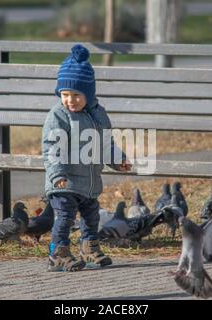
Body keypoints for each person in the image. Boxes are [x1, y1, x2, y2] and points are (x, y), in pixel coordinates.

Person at [42, 44, 132, 272]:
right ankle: (57, 253)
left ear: (88, 94)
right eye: (64, 95)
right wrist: (57, 173)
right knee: (64, 218)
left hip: (89, 183)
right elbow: (52, 147)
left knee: (91, 218)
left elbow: (105, 144)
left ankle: (89, 248)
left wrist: (118, 159)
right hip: (65, 182)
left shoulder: (98, 115)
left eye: (76, 95)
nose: (70, 100)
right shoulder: (58, 115)